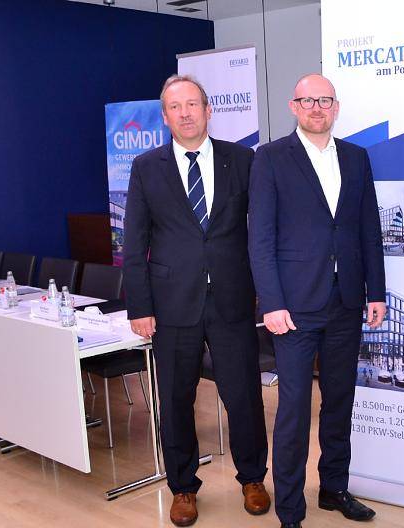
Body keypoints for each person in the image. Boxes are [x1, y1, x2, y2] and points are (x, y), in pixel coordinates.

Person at [123, 75, 270, 527]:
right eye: (175, 107)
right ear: (164, 116)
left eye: (193, 104)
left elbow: (261, 230)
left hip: (232, 299)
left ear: (209, 110)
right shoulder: (147, 167)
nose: (185, 113)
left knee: (243, 394)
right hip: (171, 305)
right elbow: (134, 242)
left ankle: (252, 478)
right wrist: (140, 307)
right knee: (175, 398)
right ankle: (183, 487)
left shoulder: (243, 160)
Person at [248, 73, 387, 528]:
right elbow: (261, 237)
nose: (316, 108)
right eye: (308, 100)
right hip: (293, 306)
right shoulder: (269, 158)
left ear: (336, 107)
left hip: (345, 301)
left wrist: (377, 292)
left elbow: (368, 229)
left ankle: (333, 488)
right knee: (292, 409)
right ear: (293, 106)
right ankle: (290, 508)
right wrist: (270, 301)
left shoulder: (356, 157)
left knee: (339, 401)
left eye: (324, 100)